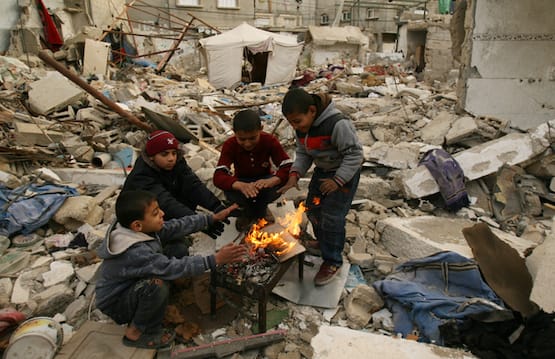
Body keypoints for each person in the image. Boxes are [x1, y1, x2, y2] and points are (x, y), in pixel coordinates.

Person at [95, 190, 246, 349]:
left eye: (159, 209)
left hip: (130, 286)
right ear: (137, 225)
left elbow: (175, 227)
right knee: (156, 285)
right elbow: (170, 267)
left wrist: (210, 218)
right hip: (117, 303)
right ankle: (137, 333)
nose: (162, 213)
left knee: (178, 248)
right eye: (155, 213)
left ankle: (160, 299)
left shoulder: (136, 229)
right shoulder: (135, 252)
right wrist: (215, 259)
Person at [278, 88, 363, 286]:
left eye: (297, 121)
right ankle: (324, 242)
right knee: (314, 210)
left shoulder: (337, 124)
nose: (295, 126)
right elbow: (304, 153)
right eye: (291, 123)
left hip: (343, 176)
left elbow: (355, 155)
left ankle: (332, 260)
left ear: (312, 111)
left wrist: (337, 181)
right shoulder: (302, 127)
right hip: (323, 173)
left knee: (332, 217)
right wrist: (294, 175)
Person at [122, 130, 228, 256]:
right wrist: (200, 222)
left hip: (163, 215)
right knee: (178, 251)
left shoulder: (177, 162)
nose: (171, 158)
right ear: (151, 156)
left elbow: (193, 185)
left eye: (174, 153)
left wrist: (216, 206)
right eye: (164, 154)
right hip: (144, 224)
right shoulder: (141, 176)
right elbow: (165, 202)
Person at [213, 109, 292, 231]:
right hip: (242, 181)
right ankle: (247, 212)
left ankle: (261, 211)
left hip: (264, 181)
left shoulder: (269, 141)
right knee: (230, 189)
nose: (248, 144)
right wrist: (238, 185)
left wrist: (274, 180)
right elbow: (218, 176)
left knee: (281, 182)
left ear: (261, 129)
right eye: (242, 139)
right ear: (234, 133)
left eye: (252, 138)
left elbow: (288, 166)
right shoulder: (230, 144)